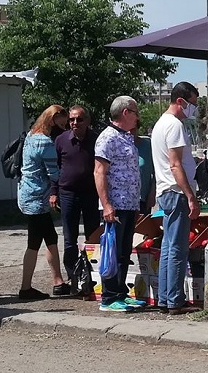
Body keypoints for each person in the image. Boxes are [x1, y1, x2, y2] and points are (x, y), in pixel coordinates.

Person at [150, 82, 202, 315]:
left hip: (166, 191)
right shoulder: (174, 126)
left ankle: (165, 298)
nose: (194, 108)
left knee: (169, 247)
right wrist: (190, 195)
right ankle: (174, 300)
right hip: (177, 192)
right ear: (180, 101)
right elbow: (175, 164)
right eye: (192, 103)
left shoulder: (160, 124)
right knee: (178, 249)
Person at [94, 96, 146, 312]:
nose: (137, 117)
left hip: (129, 204)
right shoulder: (107, 138)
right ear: (125, 112)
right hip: (115, 205)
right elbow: (99, 172)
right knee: (113, 251)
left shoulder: (126, 137)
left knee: (124, 251)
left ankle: (121, 293)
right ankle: (109, 297)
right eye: (135, 112)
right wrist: (107, 205)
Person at [18, 104, 69, 300]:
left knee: (50, 238)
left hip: (27, 195)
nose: (63, 127)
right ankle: (25, 288)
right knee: (34, 243)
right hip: (37, 198)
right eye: (62, 123)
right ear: (53, 119)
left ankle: (58, 282)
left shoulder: (31, 136)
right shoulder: (44, 142)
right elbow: (54, 173)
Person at [50, 105, 99, 290]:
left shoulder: (95, 140)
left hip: (90, 194)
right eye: (71, 119)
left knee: (93, 236)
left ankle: (94, 275)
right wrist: (53, 192)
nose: (75, 123)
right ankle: (73, 278)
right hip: (67, 194)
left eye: (79, 119)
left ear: (87, 121)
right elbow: (55, 168)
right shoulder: (61, 140)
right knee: (69, 239)